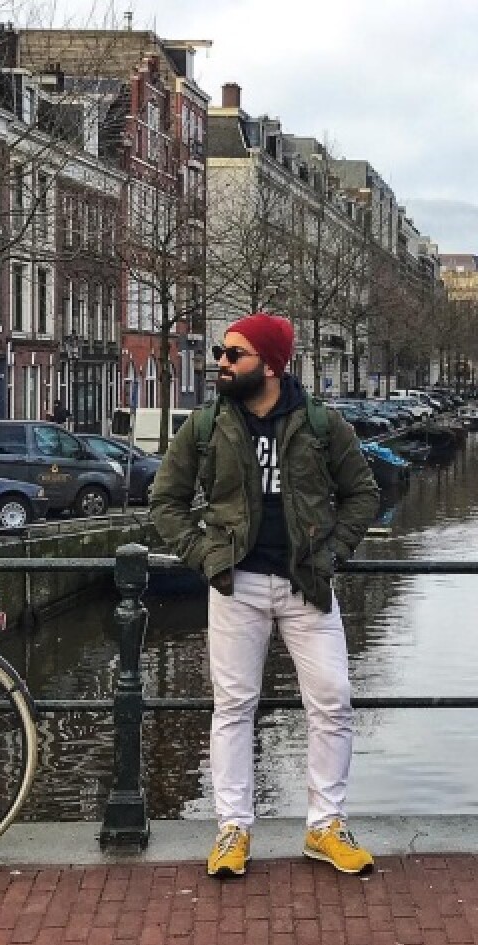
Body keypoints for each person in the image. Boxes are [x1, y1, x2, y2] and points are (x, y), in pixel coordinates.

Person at [149, 313, 380, 878]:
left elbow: (362, 493)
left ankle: (326, 825)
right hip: (237, 583)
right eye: (221, 353)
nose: (221, 363)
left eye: (235, 354)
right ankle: (233, 828)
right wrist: (205, 556)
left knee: (333, 700)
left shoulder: (322, 424)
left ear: (271, 365)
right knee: (233, 706)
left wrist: (331, 553)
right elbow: (166, 501)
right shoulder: (206, 425)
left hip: (307, 583)